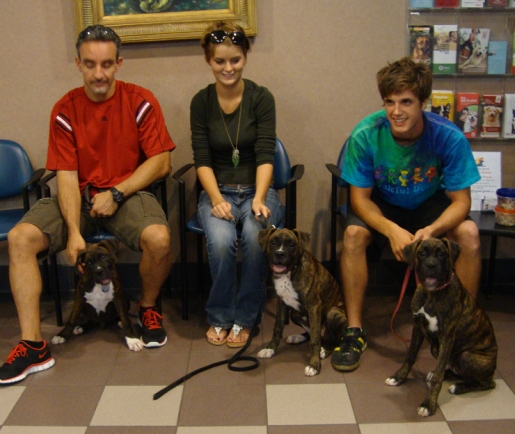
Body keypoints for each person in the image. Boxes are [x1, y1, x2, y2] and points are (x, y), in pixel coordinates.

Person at [0, 25, 175, 384]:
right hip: (77, 197)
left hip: (125, 193)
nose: (99, 73)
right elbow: (65, 174)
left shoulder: (140, 100)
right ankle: (33, 347)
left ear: (119, 63)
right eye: (91, 64)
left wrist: (116, 193)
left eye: (107, 64)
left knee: (159, 238)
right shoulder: (65, 109)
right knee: (19, 238)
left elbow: (161, 162)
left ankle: (147, 308)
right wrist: (75, 232)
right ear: (78, 63)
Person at [331, 57, 481, 373]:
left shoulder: (447, 135)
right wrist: (390, 230)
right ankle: (354, 331)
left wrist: (432, 229)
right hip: (384, 204)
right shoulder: (366, 134)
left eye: (406, 102)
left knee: (468, 234)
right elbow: (359, 200)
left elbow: (461, 202)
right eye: (389, 102)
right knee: (353, 234)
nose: (396, 111)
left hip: (429, 203)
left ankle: (461, 332)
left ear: (423, 102)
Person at [190, 21, 282, 348]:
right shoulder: (201, 102)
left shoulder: (261, 98)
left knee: (256, 242)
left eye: (235, 60)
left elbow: (265, 154)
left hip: (258, 189)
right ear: (209, 61)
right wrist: (215, 199)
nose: (228, 68)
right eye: (220, 61)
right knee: (220, 240)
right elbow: (201, 159)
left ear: (245, 57)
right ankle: (219, 315)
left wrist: (259, 197)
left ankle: (245, 317)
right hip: (219, 191)